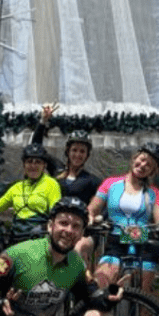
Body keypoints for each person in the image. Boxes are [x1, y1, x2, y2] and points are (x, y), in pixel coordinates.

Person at [89, 143, 159, 292]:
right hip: (116, 240)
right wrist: (90, 217)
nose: (143, 166)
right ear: (134, 158)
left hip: (143, 242)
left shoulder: (154, 192)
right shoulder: (110, 183)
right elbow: (92, 209)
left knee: (144, 292)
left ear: (152, 171)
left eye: (149, 165)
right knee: (101, 284)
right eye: (142, 160)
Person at [31, 105, 102, 263]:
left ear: (87, 155)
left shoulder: (93, 181)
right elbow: (35, 149)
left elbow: (101, 204)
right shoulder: (57, 170)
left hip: (79, 230)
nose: (78, 154)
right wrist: (43, 121)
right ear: (68, 151)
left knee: (76, 254)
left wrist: (96, 217)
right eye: (74, 150)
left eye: (82, 151)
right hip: (55, 226)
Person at [0, 144, 62, 223]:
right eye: (29, 162)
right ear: (24, 165)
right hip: (17, 229)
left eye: (38, 162)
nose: (33, 166)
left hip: (40, 229)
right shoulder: (17, 187)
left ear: (44, 165)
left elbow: (57, 214)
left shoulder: (51, 184)